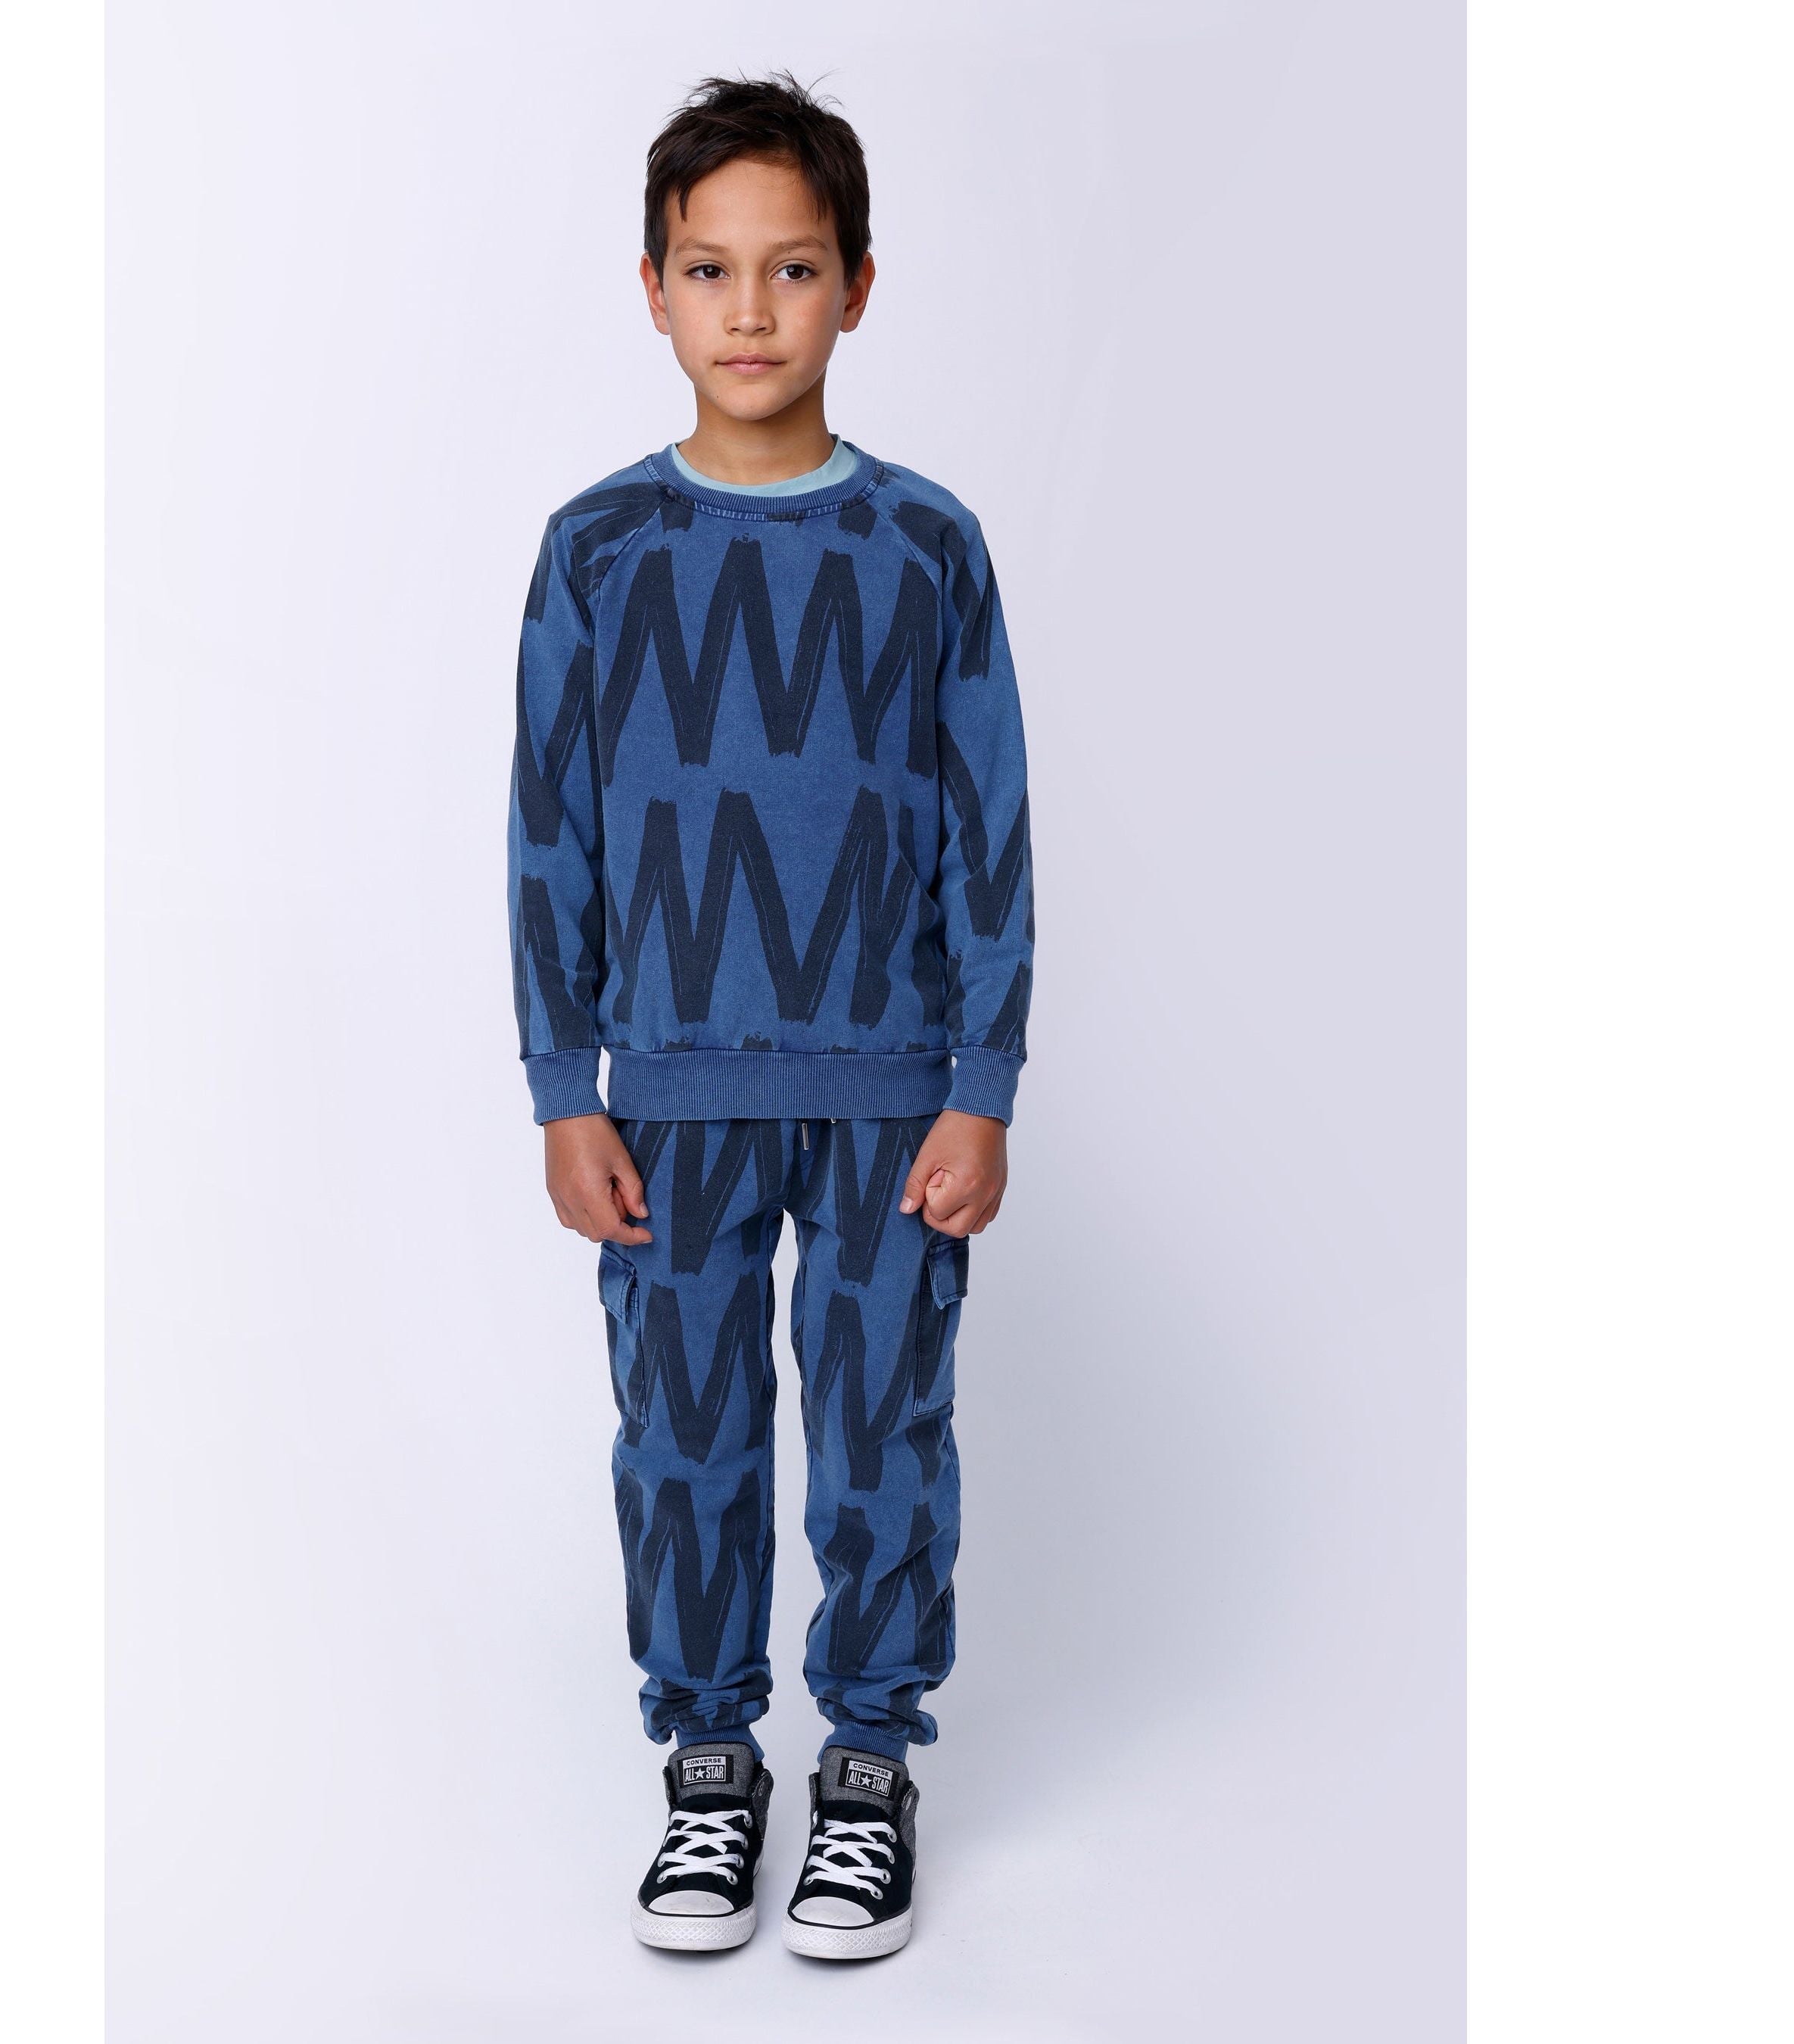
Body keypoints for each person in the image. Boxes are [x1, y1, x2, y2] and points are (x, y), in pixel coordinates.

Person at [504, 71, 1036, 1961]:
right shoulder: (594, 551)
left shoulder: (927, 547)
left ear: (858, 287)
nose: (752, 310)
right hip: (669, 1094)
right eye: (712, 269)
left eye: (793, 268)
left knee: (887, 1434)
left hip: (893, 1093)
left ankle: (870, 1767)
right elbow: (550, 829)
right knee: (686, 1439)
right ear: (653, 289)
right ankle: (711, 1766)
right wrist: (566, 1084)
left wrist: (983, 1080)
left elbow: (989, 824)